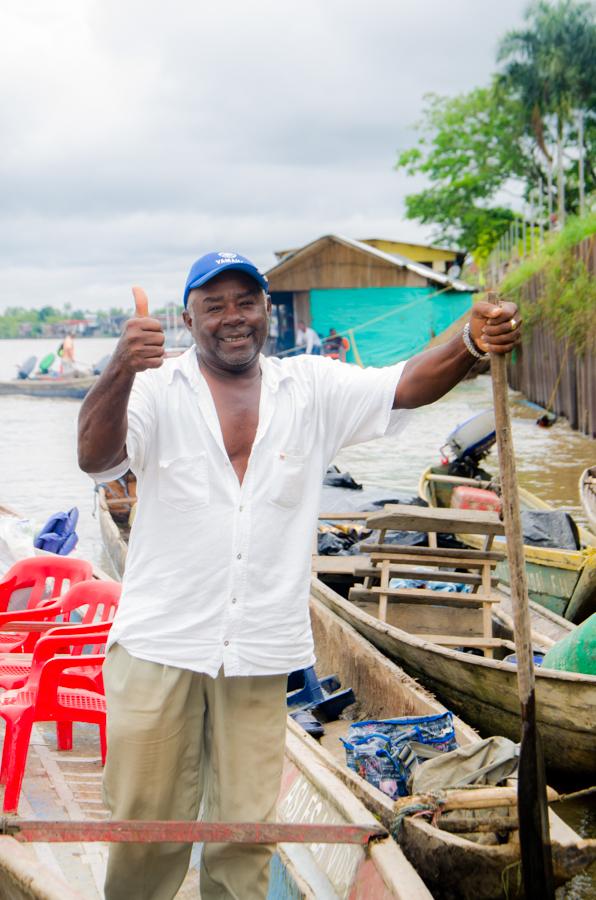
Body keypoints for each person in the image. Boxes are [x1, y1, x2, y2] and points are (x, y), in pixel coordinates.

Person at [77, 250, 521, 900]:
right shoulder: (153, 388)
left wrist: (470, 342)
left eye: (246, 302)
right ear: (188, 317)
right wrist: (120, 366)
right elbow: (95, 458)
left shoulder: (308, 388)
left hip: (258, 649)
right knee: (147, 830)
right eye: (215, 304)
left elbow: (406, 383)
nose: (233, 318)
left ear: (266, 312)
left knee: (244, 834)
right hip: (158, 646)